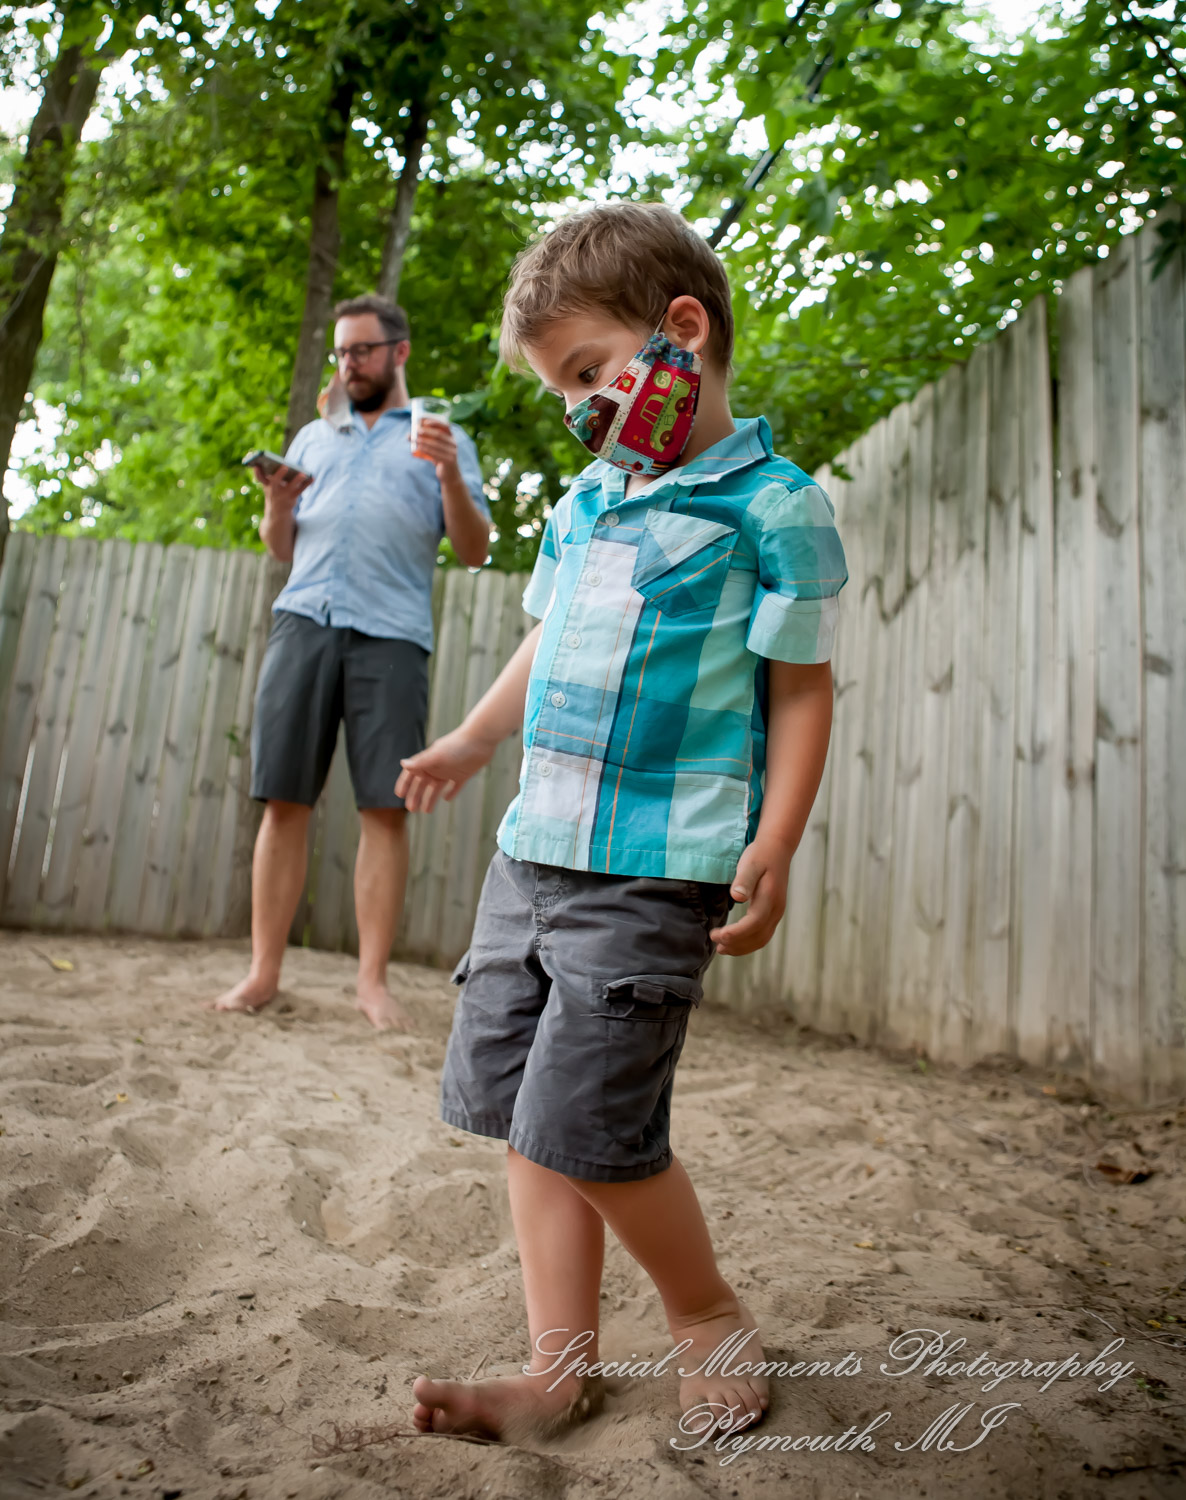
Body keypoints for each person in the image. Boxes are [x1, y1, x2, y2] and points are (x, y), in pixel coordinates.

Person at [395, 204, 849, 1438]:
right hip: (530, 853)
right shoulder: (590, 502)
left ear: (682, 333)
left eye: (592, 370)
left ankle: (704, 1312)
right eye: (560, 390)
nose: (581, 407)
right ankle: (558, 1369)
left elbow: (801, 683)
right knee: (522, 1120)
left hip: (658, 867)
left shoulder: (776, 506)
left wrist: (781, 837)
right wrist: (473, 737)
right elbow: (543, 641)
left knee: (595, 1128)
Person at [214, 294, 491, 1030]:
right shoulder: (312, 437)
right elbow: (282, 545)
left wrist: (449, 480)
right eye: (341, 352)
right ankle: (263, 972)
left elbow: (473, 549)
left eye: (361, 351)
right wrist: (276, 503)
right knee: (284, 800)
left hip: (392, 636)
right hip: (303, 624)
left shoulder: (442, 439)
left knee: (384, 808)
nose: (348, 365)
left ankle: (371, 984)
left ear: (398, 352)